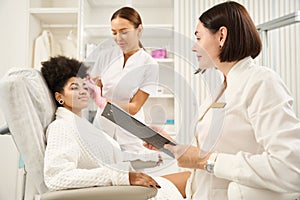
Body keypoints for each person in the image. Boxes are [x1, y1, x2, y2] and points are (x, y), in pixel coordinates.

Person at [144, 1, 300, 199]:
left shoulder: (261, 82)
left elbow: (291, 167)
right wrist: (171, 144)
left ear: (221, 36)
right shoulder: (219, 90)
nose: (194, 47)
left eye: (198, 38)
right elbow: (215, 154)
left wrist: (205, 161)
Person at [41, 56, 190, 199]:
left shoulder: (84, 126)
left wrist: (147, 157)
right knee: (197, 182)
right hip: (120, 192)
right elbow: (57, 177)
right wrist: (122, 177)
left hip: (125, 188)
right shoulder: (61, 127)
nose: (82, 91)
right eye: (74, 88)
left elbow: (109, 159)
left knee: (197, 179)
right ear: (59, 97)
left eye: (85, 86)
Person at [89, 6, 161, 162]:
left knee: (130, 178)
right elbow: (96, 86)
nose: (118, 38)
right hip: (102, 127)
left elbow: (134, 107)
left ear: (139, 29)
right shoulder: (105, 56)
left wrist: (104, 102)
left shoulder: (149, 64)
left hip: (130, 134)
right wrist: (90, 88)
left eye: (124, 31)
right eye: (114, 32)